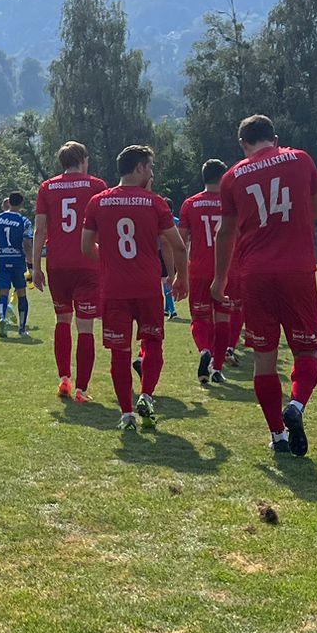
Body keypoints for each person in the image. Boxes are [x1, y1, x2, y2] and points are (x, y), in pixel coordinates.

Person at [210, 114, 317, 456]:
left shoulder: (232, 176)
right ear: (275, 139)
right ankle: (297, 406)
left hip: (255, 273)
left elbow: (225, 233)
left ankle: (277, 435)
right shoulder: (300, 159)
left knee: (264, 357)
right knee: (305, 350)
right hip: (297, 269)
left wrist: (219, 279)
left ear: (243, 144)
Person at [84, 145, 187, 434]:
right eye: (150, 167)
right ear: (139, 168)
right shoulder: (155, 203)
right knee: (153, 343)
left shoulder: (98, 202)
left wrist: (109, 261)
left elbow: (86, 246)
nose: (152, 173)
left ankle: (127, 413)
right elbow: (178, 246)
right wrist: (181, 278)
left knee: (119, 351)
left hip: (114, 288)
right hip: (147, 288)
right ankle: (146, 396)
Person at [32, 142, 103, 402]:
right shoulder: (96, 185)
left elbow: (40, 230)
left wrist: (36, 266)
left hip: (57, 264)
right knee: (85, 326)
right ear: (83, 160)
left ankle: (64, 378)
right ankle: (82, 390)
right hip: (87, 263)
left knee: (62, 320)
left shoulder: (47, 187)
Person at [177, 160, 241, 386]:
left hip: (199, 270)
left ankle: (205, 350)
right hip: (227, 269)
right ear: (223, 178)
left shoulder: (190, 204)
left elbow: (181, 241)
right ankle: (217, 368)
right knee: (223, 319)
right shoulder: (232, 203)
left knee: (199, 318)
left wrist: (179, 272)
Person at [0, 191, 32, 335]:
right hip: (18, 261)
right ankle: (22, 328)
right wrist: (31, 265)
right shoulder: (25, 221)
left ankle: (2, 318)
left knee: (3, 294)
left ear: (9, 202)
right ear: (22, 204)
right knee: (22, 294)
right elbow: (27, 244)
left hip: (2, 260)